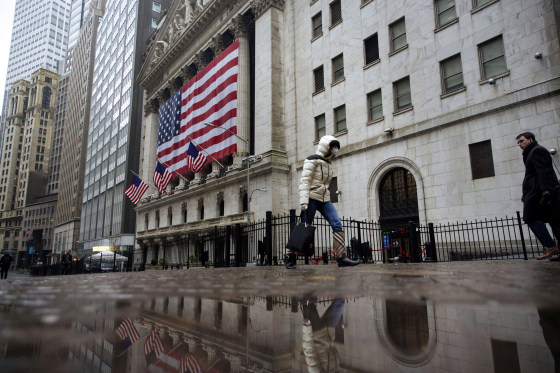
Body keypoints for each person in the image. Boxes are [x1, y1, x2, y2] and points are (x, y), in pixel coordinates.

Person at [285, 135, 359, 269]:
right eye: (333, 147)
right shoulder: (311, 160)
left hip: (325, 199)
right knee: (303, 227)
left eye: (336, 147)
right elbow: (305, 181)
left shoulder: (328, 164)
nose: (335, 150)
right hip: (312, 197)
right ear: (326, 147)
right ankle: (289, 257)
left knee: (337, 223)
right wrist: (304, 201)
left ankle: (341, 258)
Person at [516, 132, 560, 260]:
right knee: (555, 220)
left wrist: (546, 190)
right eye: (518, 142)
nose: (519, 144)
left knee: (530, 217)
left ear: (530, 140)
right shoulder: (530, 152)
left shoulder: (537, 151)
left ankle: (550, 246)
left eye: (522, 141)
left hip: (538, 192)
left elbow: (544, 171)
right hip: (540, 191)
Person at [301, 298, 344, 372]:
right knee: (340, 303)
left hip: (316, 332)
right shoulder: (336, 370)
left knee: (308, 302)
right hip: (329, 330)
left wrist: (307, 328)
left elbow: (308, 350)